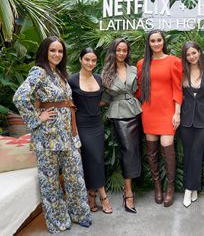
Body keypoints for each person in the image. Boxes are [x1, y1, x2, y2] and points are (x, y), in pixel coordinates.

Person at [13, 36, 91, 233]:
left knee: (75, 177)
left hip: (68, 136)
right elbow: (20, 97)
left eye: (60, 51)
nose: (57, 54)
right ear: (44, 52)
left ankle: (79, 213)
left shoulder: (61, 74)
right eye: (52, 51)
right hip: (47, 137)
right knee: (50, 182)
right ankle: (57, 221)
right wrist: (37, 118)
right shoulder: (38, 72)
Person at [136, 30, 182, 207]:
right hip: (149, 111)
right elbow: (140, 88)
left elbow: (178, 88)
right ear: (149, 43)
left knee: (167, 148)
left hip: (167, 111)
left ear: (163, 41)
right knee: (152, 151)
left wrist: (177, 112)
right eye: (152, 41)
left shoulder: (174, 61)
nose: (156, 43)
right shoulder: (142, 64)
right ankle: (157, 185)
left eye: (159, 40)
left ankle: (170, 187)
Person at [69, 47, 112, 214]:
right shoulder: (72, 80)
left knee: (96, 159)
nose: (90, 63)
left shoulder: (99, 79)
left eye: (93, 60)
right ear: (81, 59)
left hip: (97, 125)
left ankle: (91, 194)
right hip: (81, 125)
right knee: (92, 158)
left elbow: (103, 99)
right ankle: (103, 195)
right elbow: (68, 104)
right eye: (87, 59)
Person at [101, 38, 142, 213]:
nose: (121, 53)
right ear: (113, 51)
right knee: (128, 150)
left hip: (135, 110)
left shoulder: (133, 69)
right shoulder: (106, 72)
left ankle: (130, 189)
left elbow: (141, 89)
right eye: (118, 50)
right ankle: (128, 193)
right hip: (118, 113)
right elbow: (104, 98)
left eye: (124, 50)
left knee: (135, 149)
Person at [180, 41, 204, 207]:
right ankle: (193, 188)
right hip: (185, 119)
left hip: (203, 120)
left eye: (194, 53)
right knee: (187, 153)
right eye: (188, 54)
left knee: (197, 153)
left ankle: (188, 188)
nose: (191, 56)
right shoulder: (181, 73)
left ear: (199, 52)